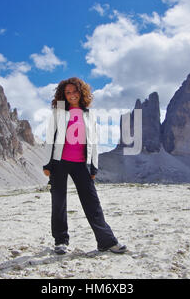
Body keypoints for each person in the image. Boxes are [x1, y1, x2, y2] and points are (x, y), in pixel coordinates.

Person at [43, 77, 126, 255]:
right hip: (59, 163)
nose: (72, 95)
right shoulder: (58, 112)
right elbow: (50, 138)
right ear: (63, 95)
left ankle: (106, 241)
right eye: (68, 92)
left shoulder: (89, 114)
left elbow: (93, 142)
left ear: (82, 93)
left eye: (75, 91)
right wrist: (47, 163)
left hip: (81, 164)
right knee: (59, 202)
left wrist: (93, 167)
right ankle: (60, 241)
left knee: (92, 203)